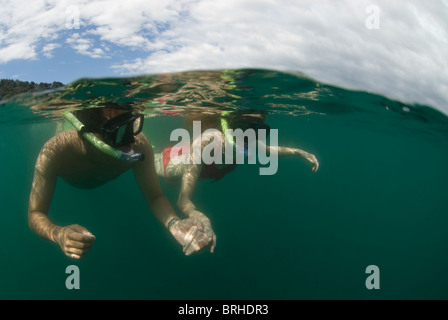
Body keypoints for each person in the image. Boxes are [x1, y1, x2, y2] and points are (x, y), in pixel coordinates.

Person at [28, 106, 213, 259]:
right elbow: (35, 213)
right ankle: (59, 124)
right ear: (90, 134)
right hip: (75, 178)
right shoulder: (55, 152)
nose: (131, 139)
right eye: (119, 131)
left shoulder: (139, 144)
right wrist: (57, 234)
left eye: (133, 125)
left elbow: (155, 196)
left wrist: (174, 224)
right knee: (60, 131)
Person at [153, 110, 319, 254]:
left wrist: (298, 152)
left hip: (187, 174)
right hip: (165, 165)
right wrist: (201, 218)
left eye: (257, 131)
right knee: (149, 158)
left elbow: (270, 150)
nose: (248, 137)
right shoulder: (209, 140)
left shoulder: (247, 142)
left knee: (171, 182)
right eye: (242, 128)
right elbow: (183, 201)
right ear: (231, 125)